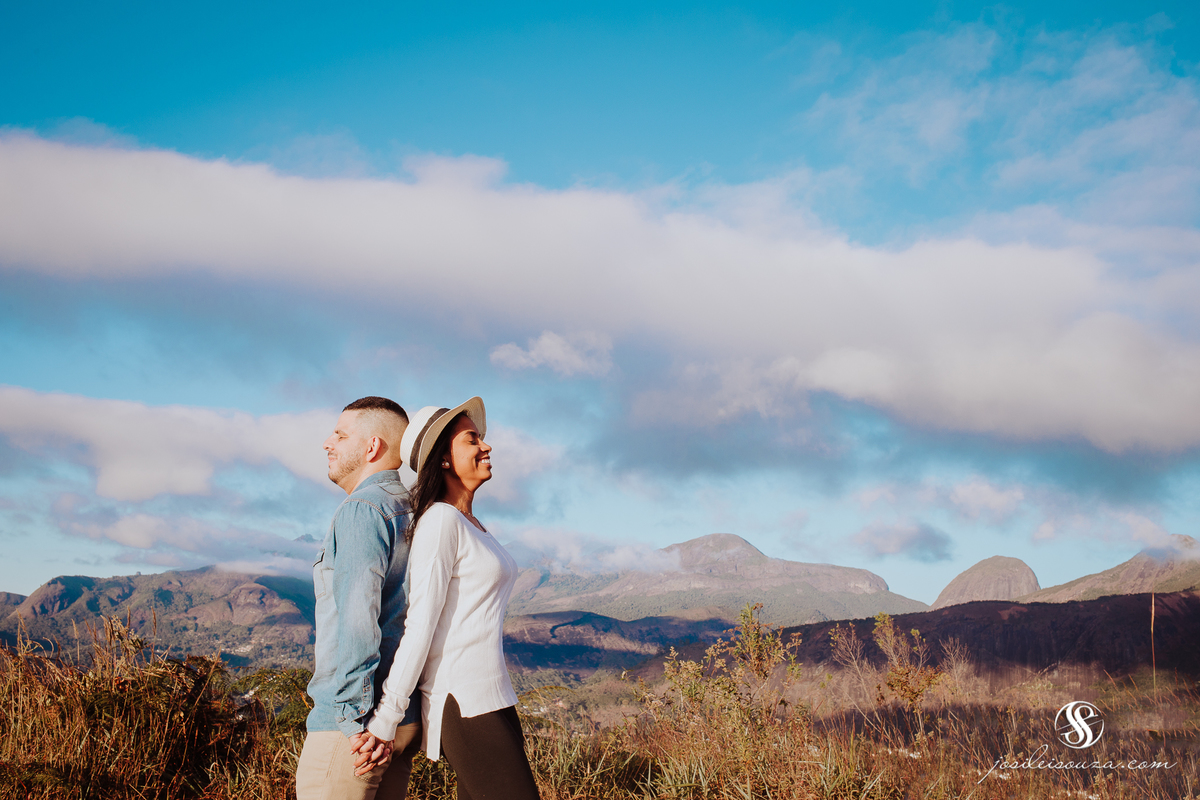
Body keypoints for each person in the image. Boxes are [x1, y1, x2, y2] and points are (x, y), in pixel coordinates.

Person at [351, 397, 541, 800]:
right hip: (463, 700)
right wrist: (387, 718)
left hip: (493, 696)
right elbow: (420, 625)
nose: (486, 446)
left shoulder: (472, 524)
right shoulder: (440, 520)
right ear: (442, 459)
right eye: (472, 439)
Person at [295, 396, 423, 800]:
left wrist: (351, 720)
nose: (327, 443)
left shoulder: (363, 510)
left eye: (340, 434)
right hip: (399, 720)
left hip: (352, 727)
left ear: (372, 447)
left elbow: (357, 620)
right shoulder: (415, 511)